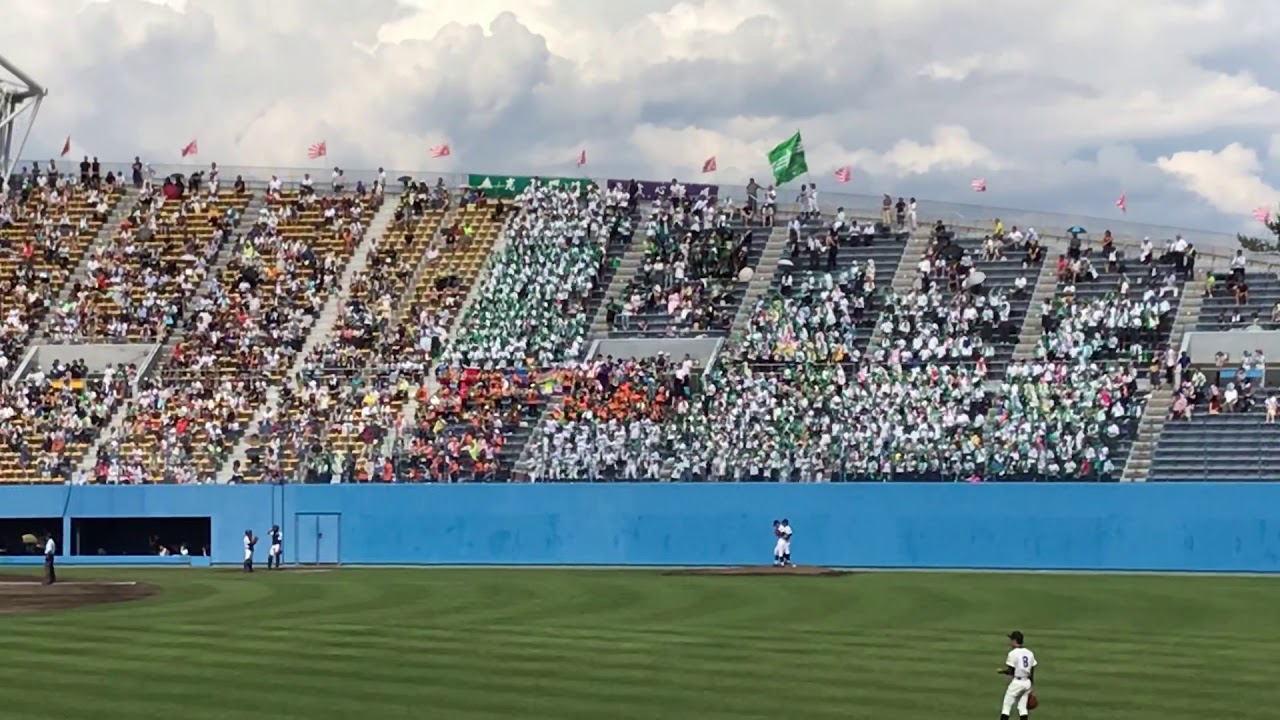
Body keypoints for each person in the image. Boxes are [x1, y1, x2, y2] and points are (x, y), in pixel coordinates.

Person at [998, 631, 1037, 719]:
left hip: (1017, 683)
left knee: (1006, 707)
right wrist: (1031, 687)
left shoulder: (1013, 653)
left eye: (1011, 640)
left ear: (1015, 641)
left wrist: (1002, 671)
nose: (1010, 642)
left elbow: (1011, 671)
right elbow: (1032, 670)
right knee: (1022, 708)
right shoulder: (1029, 652)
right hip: (1027, 682)